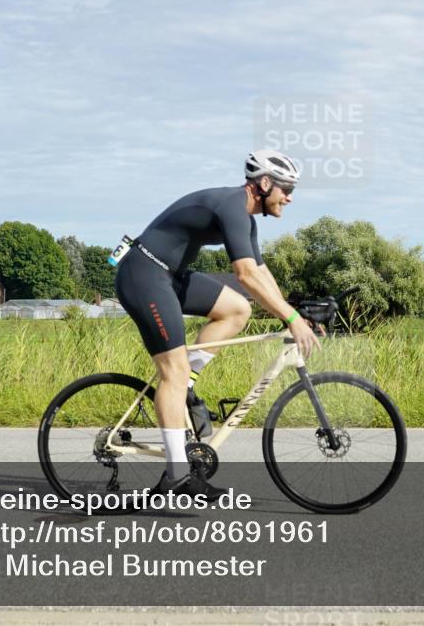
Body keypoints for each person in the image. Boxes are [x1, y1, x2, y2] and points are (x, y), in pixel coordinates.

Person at [114, 149, 321, 499]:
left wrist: (294, 313)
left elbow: (259, 272)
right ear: (264, 183)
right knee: (172, 371)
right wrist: (289, 318)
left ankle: (186, 387)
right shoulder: (232, 206)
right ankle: (177, 476)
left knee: (238, 309)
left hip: (171, 276)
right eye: (286, 188)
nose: (289, 197)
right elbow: (244, 274)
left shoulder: (246, 218)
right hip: (143, 275)